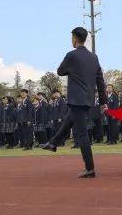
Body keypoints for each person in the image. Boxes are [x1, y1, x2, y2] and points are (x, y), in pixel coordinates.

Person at [40, 27, 108, 178]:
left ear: (75, 39)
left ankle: (90, 168)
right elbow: (100, 81)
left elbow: (60, 71)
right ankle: (53, 143)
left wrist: (72, 70)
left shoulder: (71, 55)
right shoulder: (94, 57)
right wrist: (103, 101)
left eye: (71, 37)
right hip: (88, 100)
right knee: (68, 120)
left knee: (82, 134)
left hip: (76, 99)